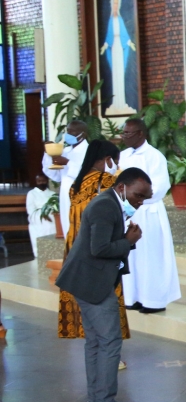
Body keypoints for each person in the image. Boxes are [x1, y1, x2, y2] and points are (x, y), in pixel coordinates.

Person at [56, 167, 151, 402]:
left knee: (97, 342)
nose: (140, 203)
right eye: (138, 196)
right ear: (122, 187)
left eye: (144, 199)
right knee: (109, 341)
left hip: (87, 280)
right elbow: (99, 248)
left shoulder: (111, 203)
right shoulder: (104, 206)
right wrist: (129, 241)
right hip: (91, 282)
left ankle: (98, 400)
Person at [58, 140, 131, 356]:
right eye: (115, 161)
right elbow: (119, 212)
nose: (116, 166)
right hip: (101, 245)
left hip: (76, 246)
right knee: (106, 300)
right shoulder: (108, 181)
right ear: (107, 159)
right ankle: (110, 354)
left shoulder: (77, 183)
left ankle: (94, 348)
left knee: (85, 302)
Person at [119, 118, 181, 313]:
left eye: (128, 133)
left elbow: (160, 187)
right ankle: (132, 297)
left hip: (148, 212)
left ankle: (153, 301)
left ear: (141, 134)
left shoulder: (155, 156)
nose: (124, 136)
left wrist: (136, 198)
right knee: (132, 255)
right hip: (127, 212)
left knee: (150, 257)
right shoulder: (122, 156)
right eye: (124, 132)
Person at [43, 119, 89, 235]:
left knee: (81, 229)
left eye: (72, 132)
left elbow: (87, 174)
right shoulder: (65, 151)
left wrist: (68, 162)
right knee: (68, 227)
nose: (68, 135)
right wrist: (48, 155)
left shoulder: (89, 151)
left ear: (82, 134)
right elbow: (56, 176)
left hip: (81, 195)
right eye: (67, 131)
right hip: (65, 196)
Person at [99, 0, 137, 116]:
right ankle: (116, 102)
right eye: (113, 4)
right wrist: (105, 46)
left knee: (120, 73)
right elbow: (109, 36)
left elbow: (125, 34)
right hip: (113, 47)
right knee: (115, 74)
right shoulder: (111, 20)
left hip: (120, 48)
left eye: (117, 4)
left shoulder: (120, 19)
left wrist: (130, 43)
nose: (115, 6)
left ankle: (122, 102)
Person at [26, 174, 56, 257]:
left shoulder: (52, 193)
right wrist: (43, 215)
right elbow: (31, 210)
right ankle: (39, 255)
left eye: (43, 181)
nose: (41, 183)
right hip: (38, 218)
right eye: (39, 181)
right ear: (36, 182)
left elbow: (57, 208)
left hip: (52, 217)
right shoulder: (31, 193)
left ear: (47, 181)